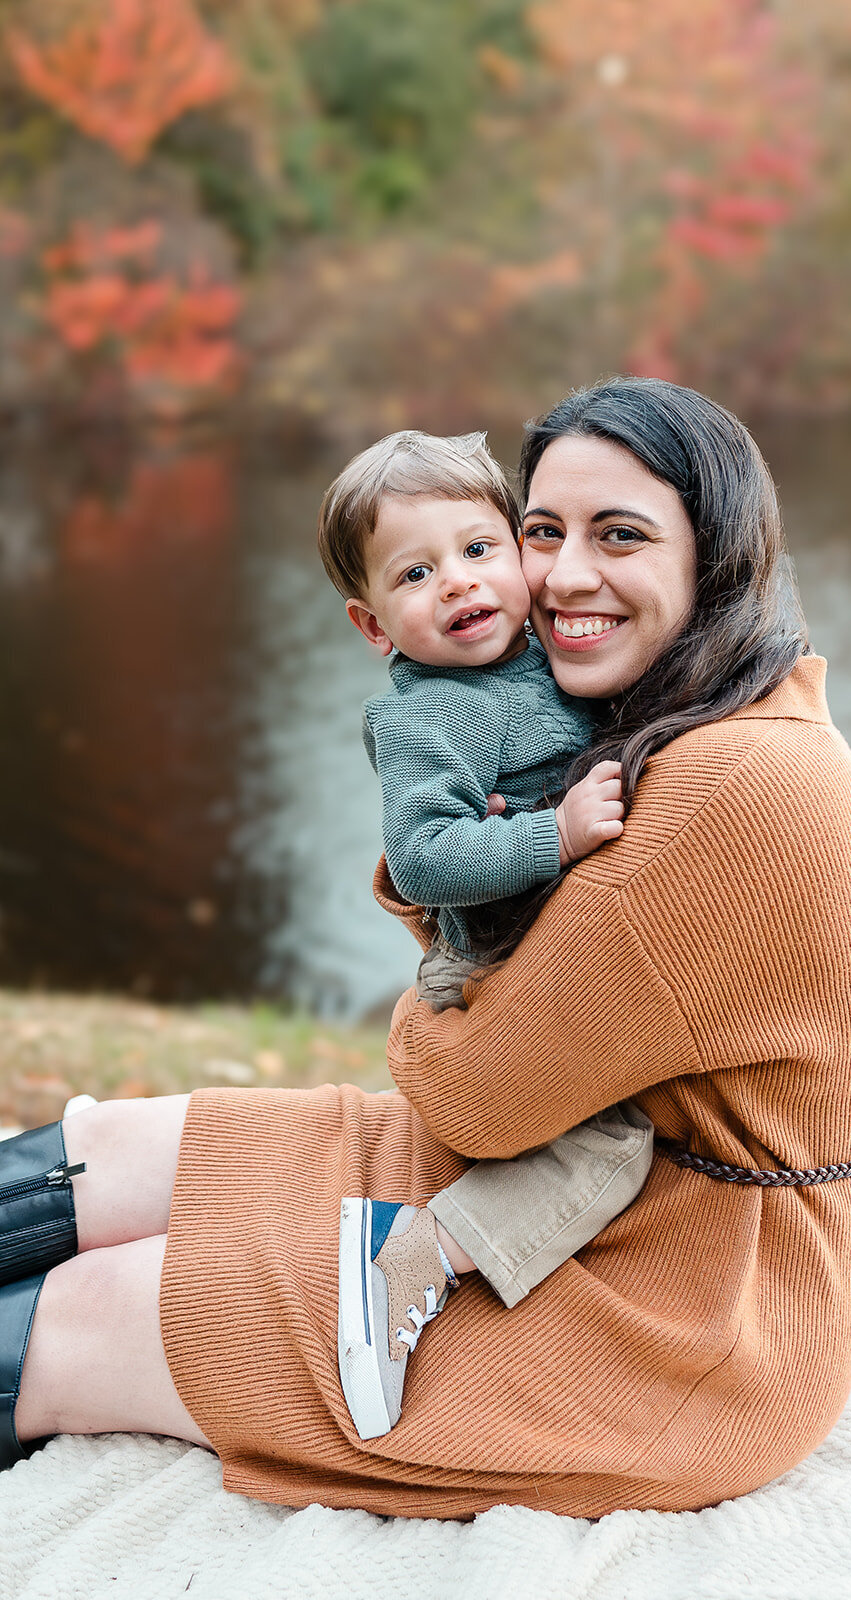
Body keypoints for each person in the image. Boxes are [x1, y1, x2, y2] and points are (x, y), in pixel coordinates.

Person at [0, 377, 851, 1521]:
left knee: (91, 1309)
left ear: (715, 550)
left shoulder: (729, 786)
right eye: (543, 532)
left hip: (675, 1318)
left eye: (618, 535)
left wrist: (431, 993)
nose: (563, 575)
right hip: (589, 1177)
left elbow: (469, 1098)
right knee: (112, 1144)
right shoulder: (709, 706)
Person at [316, 427, 655, 1438]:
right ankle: (413, 1259)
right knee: (610, 1149)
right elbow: (420, 857)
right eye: (415, 573)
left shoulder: (531, 660)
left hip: (532, 949)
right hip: (495, 965)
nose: (457, 584)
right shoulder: (437, 716)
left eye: (476, 550)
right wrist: (552, 834)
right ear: (373, 626)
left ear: (521, 549)